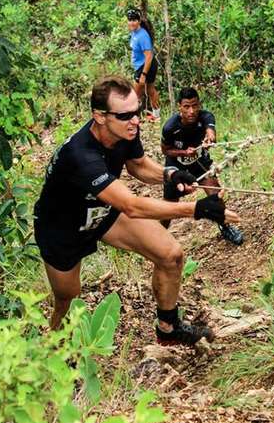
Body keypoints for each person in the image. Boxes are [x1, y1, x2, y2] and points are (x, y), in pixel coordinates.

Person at [34, 76, 240, 346]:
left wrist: (171, 173)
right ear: (100, 116)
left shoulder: (125, 130)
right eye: (126, 115)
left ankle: (168, 327)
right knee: (68, 297)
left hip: (102, 211)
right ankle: (55, 348)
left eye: (137, 110)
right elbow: (131, 205)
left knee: (171, 255)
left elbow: (138, 165)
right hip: (63, 227)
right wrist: (198, 209)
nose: (135, 120)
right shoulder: (80, 155)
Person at [161, 87, 244, 245]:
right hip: (177, 169)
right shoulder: (170, 127)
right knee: (168, 207)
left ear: (199, 105)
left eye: (194, 105)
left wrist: (209, 139)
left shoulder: (206, 116)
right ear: (179, 106)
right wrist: (184, 153)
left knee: (216, 194)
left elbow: (211, 132)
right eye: (186, 106)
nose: (191, 111)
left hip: (200, 164)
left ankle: (225, 226)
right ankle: (157, 238)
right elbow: (165, 150)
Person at [126, 8, 160, 121]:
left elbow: (149, 56)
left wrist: (143, 74)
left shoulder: (142, 35)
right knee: (150, 90)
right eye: (130, 20)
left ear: (139, 21)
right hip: (142, 65)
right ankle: (155, 115)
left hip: (145, 66)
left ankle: (133, 117)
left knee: (135, 94)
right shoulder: (134, 32)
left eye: (134, 20)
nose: (132, 22)